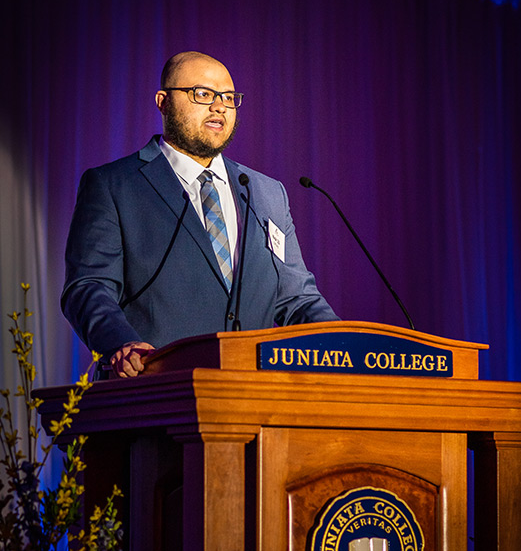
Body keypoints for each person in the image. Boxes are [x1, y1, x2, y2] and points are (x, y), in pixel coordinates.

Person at [62, 51, 338, 379]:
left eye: (228, 97)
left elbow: (297, 297)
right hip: (158, 392)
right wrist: (121, 344)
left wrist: (348, 348)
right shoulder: (113, 185)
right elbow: (89, 285)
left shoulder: (266, 193)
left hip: (258, 398)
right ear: (163, 102)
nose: (219, 106)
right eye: (202, 94)